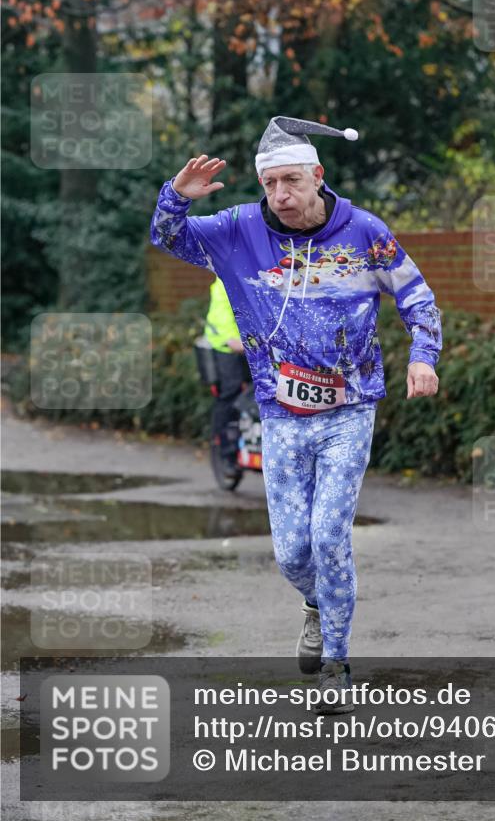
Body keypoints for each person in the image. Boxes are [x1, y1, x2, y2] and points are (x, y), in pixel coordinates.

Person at [150, 116, 442, 713]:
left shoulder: (363, 232)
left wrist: (423, 357)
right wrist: (175, 197)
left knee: (329, 535)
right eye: (269, 184)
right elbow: (166, 236)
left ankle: (335, 658)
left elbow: (417, 295)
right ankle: (317, 603)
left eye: (290, 182)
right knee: (291, 554)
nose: (280, 196)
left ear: (318, 176)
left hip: (349, 410)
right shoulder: (237, 230)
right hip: (280, 413)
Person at [204, 276, 250, 488]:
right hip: (226, 347)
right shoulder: (225, 279)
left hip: (251, 346)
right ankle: (226, 454)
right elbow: (221, 314)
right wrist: (233, 339)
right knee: (230, 395)